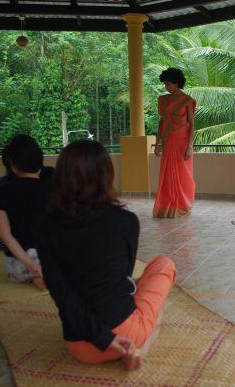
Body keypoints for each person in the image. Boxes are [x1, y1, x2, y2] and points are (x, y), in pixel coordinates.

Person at [38, 140, 176, 370]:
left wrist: (103, 338)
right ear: (106, 177)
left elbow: (62, 295)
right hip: (124, 338)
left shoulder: (47, 228)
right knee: (163, 270)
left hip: (80, 347)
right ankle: (138, 351)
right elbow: (124, 274)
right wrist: (110, 339)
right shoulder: (125, 222)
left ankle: (125, 346)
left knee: (83, 288)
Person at [0, 135, 52, 290]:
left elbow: (4, 235)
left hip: (17, 269)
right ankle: (43, 276)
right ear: (40, 161)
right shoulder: (52, 191)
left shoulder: (1, 192)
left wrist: (31, 264)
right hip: (48, 262)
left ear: (12, 164)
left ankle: (36, 276)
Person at [152, 68, 196, 218]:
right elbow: (162, 122)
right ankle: (166, 207)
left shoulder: (187, 100)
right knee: (166, 176)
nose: (166, 87)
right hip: (167, 140)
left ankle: (181, 206)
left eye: (168, 84)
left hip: (182, 142)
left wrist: (190, 146)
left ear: (177, 83)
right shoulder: (163, 99)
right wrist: (157, 143)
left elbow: (192, 125)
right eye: (165, 84)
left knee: (183, 176)